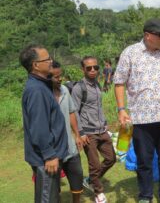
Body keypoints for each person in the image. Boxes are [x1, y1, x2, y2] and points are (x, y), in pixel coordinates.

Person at [114, 18, 160, 203]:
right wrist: (121, 109)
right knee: (144, 160)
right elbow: (119, 82)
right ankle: (145, 196)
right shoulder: (130, 53)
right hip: (141, 118)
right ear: (147, 35)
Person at [19, 44, 68, 203]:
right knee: (47, 199)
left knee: (51, 197)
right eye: (47, 59)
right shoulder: (36, 90)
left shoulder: (41, 85)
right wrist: (49, 155)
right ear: (36, 65)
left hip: (48, 156)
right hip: (46, 158)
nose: (51, 61)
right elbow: (38, 127)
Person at [72, 56, 116, 203]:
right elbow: (74, 112)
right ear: (83, 69)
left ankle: (91, 179)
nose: (93, 70)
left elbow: (98, 107)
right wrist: (81, 133)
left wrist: (105, 123)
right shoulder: (79, 88)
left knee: (111, 158)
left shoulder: (97, 84)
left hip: (102, 130)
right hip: (88, 132)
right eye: (89, 68)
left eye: (95, 67)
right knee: (95, 164)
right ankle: (98, 192)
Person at [51, 61, 84, 203]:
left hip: (70, 147)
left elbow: (71, 112)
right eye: (55, 77)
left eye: (60, 76)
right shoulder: (42, 95)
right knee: (53, 187)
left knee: (77, 177)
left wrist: (77, 135)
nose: (60, 79)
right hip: (52, 151)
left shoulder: (64, 90)